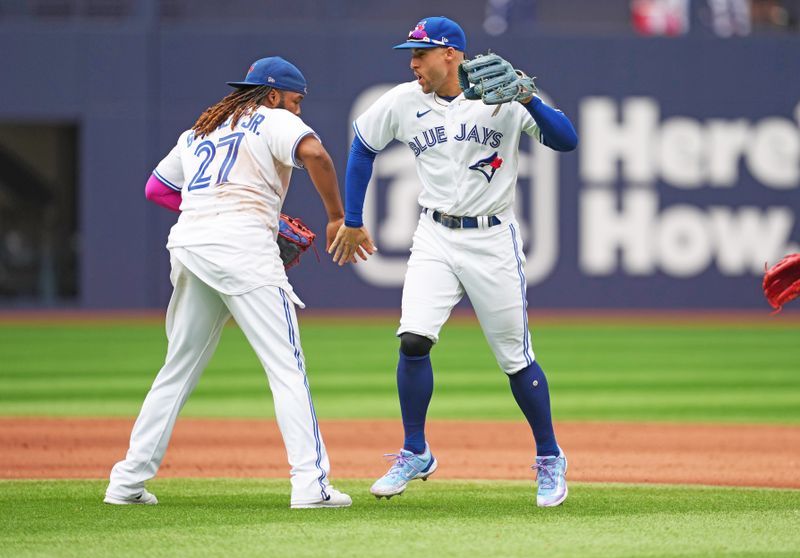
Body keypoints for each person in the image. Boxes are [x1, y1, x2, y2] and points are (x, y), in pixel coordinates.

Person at [329, 16, 578, 507]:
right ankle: (415, 450)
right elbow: (362, 146)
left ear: (450, 54)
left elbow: (566, 139)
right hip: (435, 234)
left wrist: (528, 98)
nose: (412, 63)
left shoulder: (501, 94)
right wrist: (352, 218)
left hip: (491, 237)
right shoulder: (404, 100)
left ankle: (550, 457)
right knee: (413, 339)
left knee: (514, 358)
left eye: (420, 53)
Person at [105, 56, 361, 509]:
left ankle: (126, 483)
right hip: (243, 248)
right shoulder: (273, 119)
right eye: (295, 101)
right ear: (272, 94)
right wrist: (338, 217)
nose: (297, 111)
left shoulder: (201, 129)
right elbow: (316, 154)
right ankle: (311, 486)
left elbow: (157, 189)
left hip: (190, 245)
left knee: (176, 369)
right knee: (287, 367)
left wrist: (210, 208)